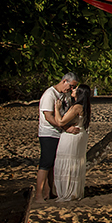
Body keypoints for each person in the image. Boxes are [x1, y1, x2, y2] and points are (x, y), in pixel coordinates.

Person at [36, 73, 79, 201]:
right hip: (48, 132)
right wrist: (64, 127)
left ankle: (49, 192)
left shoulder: (64, 95)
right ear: (64, 81)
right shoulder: (49, 95)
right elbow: (48, 116)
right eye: (71, 86)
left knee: (52, 163)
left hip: (58, 132)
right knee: (46, 162)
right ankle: (39, 194)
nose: (70, 89)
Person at [51, 85, 92, 202]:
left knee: (66, 161)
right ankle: (73, 191)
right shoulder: (84, 106)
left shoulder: (77, 107)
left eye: (75, 89)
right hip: (80, 135)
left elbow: (60, 121)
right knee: (75, 161)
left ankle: (66, 191)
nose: (72, 90)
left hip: (72, 138)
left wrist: (56, 109)